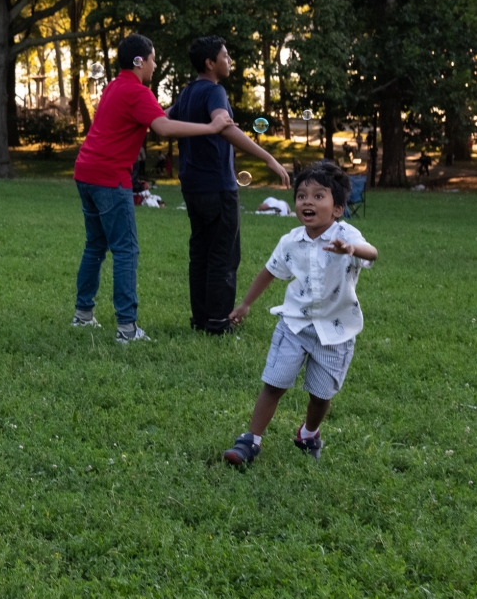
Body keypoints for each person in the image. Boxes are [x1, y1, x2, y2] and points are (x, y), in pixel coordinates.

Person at [71, 33, 234, 343]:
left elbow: (159, 116)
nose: (155, 64)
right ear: (138, 61)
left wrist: (185, 101)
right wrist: (212, 127)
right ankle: (127, 329)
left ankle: (83, 315)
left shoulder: (115, 87)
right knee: (125, 250)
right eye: (152, 58)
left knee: (95, 246)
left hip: (86, 172)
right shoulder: (137, 91)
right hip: (109, 178)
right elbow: (163, 128)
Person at [222, 162, 377, 467]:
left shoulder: (347, 234)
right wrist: (245, 304)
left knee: (321, 395)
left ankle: (308, 433)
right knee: (274, 384)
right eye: (302, 196)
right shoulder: (290, 241)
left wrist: (351, 249)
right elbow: (269, 271)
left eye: (319, 196)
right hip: (294, 324)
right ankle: (250, 441)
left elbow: (372, 253)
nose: (308, 201)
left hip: (336, 331)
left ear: (337, 209)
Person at [169, 37, 291, 335]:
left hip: (192, 186)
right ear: (211, 63)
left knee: (200, 253)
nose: (229, 59)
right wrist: (268, 158)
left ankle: (201, 319)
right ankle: (218, 323)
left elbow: (165, 120)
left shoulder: (187, 93)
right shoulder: (215, 91)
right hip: (217, 186)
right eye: (225, 55)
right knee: (223, 254)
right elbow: (224, 128)